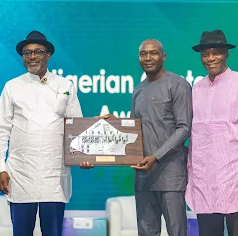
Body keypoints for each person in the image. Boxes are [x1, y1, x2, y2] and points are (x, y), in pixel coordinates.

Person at [82, 39, 193, 236]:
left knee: (177, 232)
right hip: (144, 176)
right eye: (143, 54)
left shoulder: (178, 84)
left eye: (153, 53)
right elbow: (135, 130)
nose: (148, 58)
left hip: (170, 176)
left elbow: (184, 128)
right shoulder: (138, 90)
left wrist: (156, 156)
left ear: (163, 56)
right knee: (146, 232)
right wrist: (115, 123)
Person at [0, 31, 83, 236]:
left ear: (48, 55)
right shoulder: (12, 87)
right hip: (20, 175)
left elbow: (76, 127)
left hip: (54, 176)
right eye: (27, 53)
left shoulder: (65, 86)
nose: (32, 57)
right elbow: (1, 132)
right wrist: (0, 169)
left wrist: (85, 156)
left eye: (38, 52)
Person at [186, 30, 238, 236]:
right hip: (204, 180)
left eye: (216, 52)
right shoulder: (196, 88)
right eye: (205, 54)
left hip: (233, 176)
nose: (210, 58)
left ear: (226, 54)